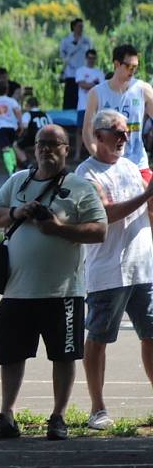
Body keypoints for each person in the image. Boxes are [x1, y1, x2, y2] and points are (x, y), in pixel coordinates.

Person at [0, 124, 107, 441]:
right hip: (17, 290)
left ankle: (58, 417)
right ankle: (7, 415)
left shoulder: (79, 187)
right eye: (41, 144)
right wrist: (17, 211)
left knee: (63, 355)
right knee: (10, 353)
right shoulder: (17, 181)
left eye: (53, 144)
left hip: (62, 291)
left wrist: (60, 228)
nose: (46, 149)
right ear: (34, 148)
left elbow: (99, 230)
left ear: (66, 149)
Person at [75, 110, 153, 430]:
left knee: (150, 335)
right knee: (98, 338)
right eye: (117, 133)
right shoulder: (86, 174)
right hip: (107, 271)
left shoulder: (132, 168)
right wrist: (148, 193)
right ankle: (98, 407)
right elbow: (105, 214)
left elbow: (148, 211)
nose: (124, 138)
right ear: (99, 136)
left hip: (143, 267)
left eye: (127, 132)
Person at [83, 44, 153, 188]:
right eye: (129, 67)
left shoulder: (143, 89)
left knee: (150, 205)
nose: (133, 71)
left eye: (136, 67)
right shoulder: (96, 93)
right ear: (116, 64)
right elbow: (87, 131)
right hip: (108, 166)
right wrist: (99, 158)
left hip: (138, 163)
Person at [0, 81, 26, 174]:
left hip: (0, 128)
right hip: (12, 127)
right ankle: (14, 167)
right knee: (11, 147)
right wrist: (20, 124)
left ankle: (11, 170)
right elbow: (18, 112)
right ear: (7, 90)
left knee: (5, 149)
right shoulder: (11, 100)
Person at [74, 49, 104, 161]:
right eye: (89, 58)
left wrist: (90, 85)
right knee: (80, 129)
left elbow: (101, 88)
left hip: (96, 106)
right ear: (86, 58)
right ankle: (77, 154)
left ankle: (93, 153)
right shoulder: (80, 71)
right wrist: (93, 84)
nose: (91, 60)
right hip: (82, 105)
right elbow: (82, 85)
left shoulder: (99, 72)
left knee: (95, 129)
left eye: (93, 58)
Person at [60, 18, 93, 110]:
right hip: (71, 73)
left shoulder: (87, 41)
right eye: (79, 26)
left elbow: (91, 54)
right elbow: (62, 56)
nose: (81, 28)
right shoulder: (66, 41)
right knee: (70, 98)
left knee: (82, 98)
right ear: (74, 27)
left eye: (82, 26)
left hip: (83, 73)